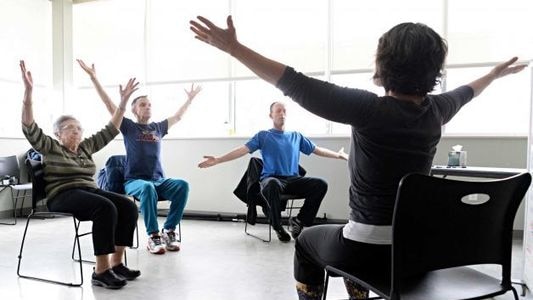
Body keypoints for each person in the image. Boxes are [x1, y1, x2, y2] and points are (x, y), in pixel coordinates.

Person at [189, 17, 527, 299]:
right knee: (343, 240)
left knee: (307, 241)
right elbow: (466, 92)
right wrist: (494, 75)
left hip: (364, 249)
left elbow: (294, 83)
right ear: (434, 70)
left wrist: (233, 48)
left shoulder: (368, 109)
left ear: (383, 64)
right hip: (416, 253)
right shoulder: (436, 111)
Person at [20, 60, 141, 289]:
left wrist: (123, 102)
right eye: (69, 128)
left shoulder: (86, 147)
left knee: (128, 206)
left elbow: (111, 128)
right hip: (62, 195)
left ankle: (116, 263)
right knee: (105, 207)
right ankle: (101, 270)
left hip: (88, 191)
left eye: (79, 128)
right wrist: (28, 94)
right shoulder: (50, 147)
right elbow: (29, 126)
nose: (76, 131)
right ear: (57, 133)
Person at [77, 59, 202, 254]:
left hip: (159, 181)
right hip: (135, 182)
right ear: (135, 110)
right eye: (143, 105)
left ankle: (169, 230)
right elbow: (110, 106)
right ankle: (153, 236)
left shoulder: (158, 128)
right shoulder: (128, 127)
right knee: (147, 187)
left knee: (182, 185)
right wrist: (94, 78)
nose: (148, 107)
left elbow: (178, 116)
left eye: (149, 104)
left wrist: (190, 99)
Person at [198, 101, 348, 242]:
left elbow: (318, 150)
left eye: (284, 111)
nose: (282, 114)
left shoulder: (296, 136)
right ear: (271, 115)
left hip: (292, 180)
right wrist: (218, 159)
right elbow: (242, 150)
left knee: (320, 184)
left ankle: (299, 221)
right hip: (271, 179)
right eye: (278, 111)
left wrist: (338, 155)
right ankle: (277, 226)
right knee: (272, 184)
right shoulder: (263, 136)